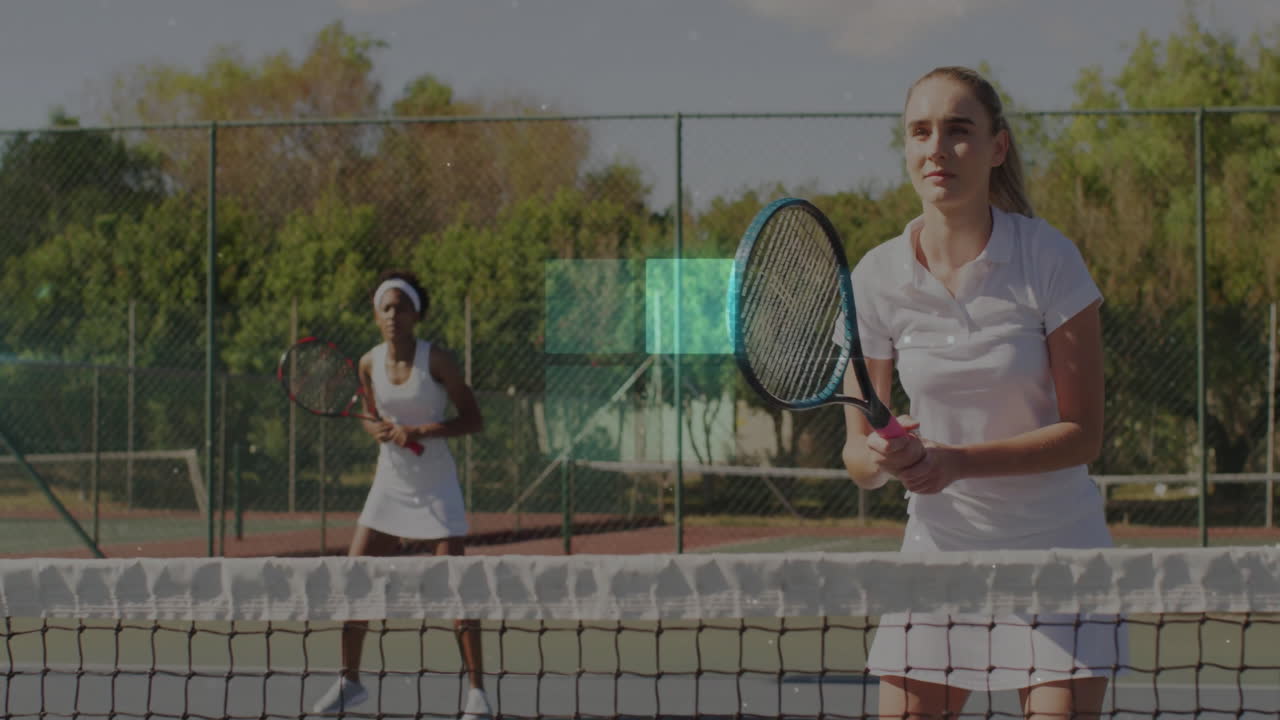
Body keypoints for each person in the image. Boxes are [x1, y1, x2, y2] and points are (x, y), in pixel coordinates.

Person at [840, 66, 1123, 719]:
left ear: (997, 147)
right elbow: (856, 457)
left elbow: (1085, 434)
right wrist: (880, 460)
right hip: (940, 555)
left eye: (959, 131)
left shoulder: (1050, 260)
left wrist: (959, 462)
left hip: (1059, 553)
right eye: (920, 132)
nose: (937, 148)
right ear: (906, 148)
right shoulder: (875, 279)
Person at [312, 270, 491, 719]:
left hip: (436, 487)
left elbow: (473, 420)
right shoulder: (368, 363)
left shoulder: (439, 361)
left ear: (416, 314)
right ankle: (350, 682)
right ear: (377, 315)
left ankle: (477, 693)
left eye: (402, 307)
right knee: (355, 577)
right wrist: (376, 427)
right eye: (386, 308)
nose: (393, 315)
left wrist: (421, 431)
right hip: (389, 485)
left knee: (456, 588)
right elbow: (373, 416)